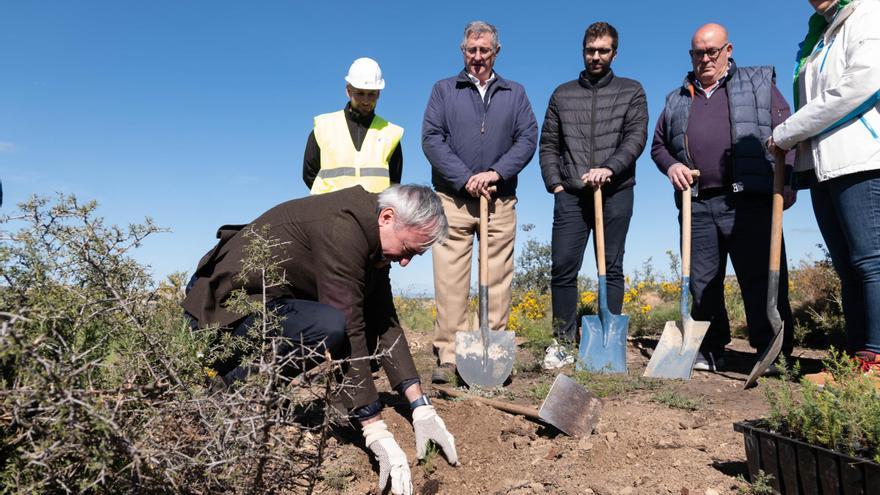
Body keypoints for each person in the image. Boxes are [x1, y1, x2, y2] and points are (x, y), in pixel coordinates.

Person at [182, 185, 457, 495]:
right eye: (407, 249)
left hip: (270, 307)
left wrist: (420, 406)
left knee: (359, 314)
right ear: (388, 217)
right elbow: (349, 323)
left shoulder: (373, 235)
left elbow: (385, 320)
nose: (405, 262)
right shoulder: (344, 227)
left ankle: (340, 406)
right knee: (330, 325)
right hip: (223, 312)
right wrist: (375, 427)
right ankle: (232, 385)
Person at [651, 23, 795, 372]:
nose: (704, 59)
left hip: (747, 199)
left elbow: (788, 132)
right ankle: (710, 349)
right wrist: (672, 167)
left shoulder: (759, 83)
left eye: (711, 51)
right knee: (702, 282)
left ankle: (772, 351)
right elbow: (658, 146)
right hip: (697, 202)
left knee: (760, 276)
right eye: (698, 53)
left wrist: (785, 187)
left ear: (728, 50)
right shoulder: (677, 98)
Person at [422, 20, 538, 383]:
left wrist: (496, 173)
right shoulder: (444, 90)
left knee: (498, 278)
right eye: (471, 51)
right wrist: (466, 178)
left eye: (484, 51)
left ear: (496, 52)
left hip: (499, 200)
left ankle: (489, 352)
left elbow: (527, 137)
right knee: (451, 280)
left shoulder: (514, 93)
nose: (477, 57)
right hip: (453, 200)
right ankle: (450, 357)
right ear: (463, 51)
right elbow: (432, 139)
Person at [768, 0, 880, 373]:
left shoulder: (867, 13)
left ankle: (876, 358)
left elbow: (862, 83)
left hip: (861, 158)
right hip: (822, 167)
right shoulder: (819, 35)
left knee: (870, 261)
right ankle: (857, 360)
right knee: (847, 267)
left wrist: (787, 131)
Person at [539, 22, 648, 368]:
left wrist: (610, 168)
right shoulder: (562, 94)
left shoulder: (632, 91)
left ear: (614, 53)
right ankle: (563, 343)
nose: (596, 56)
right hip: (571, 194)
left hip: (615, 191)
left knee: (611, 266)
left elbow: (635, 137)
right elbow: (548, 145)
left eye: (603, 50)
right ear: (583, 51)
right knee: (562, 268)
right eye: (590, 50)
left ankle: (607, 340)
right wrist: (556, 185)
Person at [303, 57, 403, 195]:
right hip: (330, 211)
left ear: (379, 93)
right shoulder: (324, 126)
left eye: (372, 94)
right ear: (348, 91)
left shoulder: (390, 133)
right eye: (360, 93)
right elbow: (309, 173)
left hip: (372, 213)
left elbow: (394, 181)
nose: (366, 101)